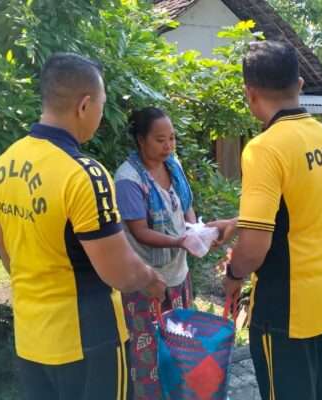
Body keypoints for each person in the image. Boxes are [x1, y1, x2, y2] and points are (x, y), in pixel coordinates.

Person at [0, 53, 166, 400]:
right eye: (101, 105)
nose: (100, 114)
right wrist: (150, 279)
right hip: (89, 340)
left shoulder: (0, 167)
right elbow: (120, 272)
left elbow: (2, 246)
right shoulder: (84, 175)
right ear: (84, 105)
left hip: (31, 338)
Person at [208, 40, 322, 400]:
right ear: (299, 84)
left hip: (289, 310)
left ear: (250, 93)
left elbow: (254, 249)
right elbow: (301, 207)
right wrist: (238, 222)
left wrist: (233, 276)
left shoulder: (264, 148)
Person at [114, 107, 197, 400]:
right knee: (148, 354)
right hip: (146, 281)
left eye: (172, 138)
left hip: (179, 275)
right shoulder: (128, 179)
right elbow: (139, 232)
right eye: (160, 140)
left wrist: (197, 231)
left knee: (181, 346)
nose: (168, 146)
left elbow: (185, 206)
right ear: (141, 140)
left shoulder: (173, 166)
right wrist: (181, 241)